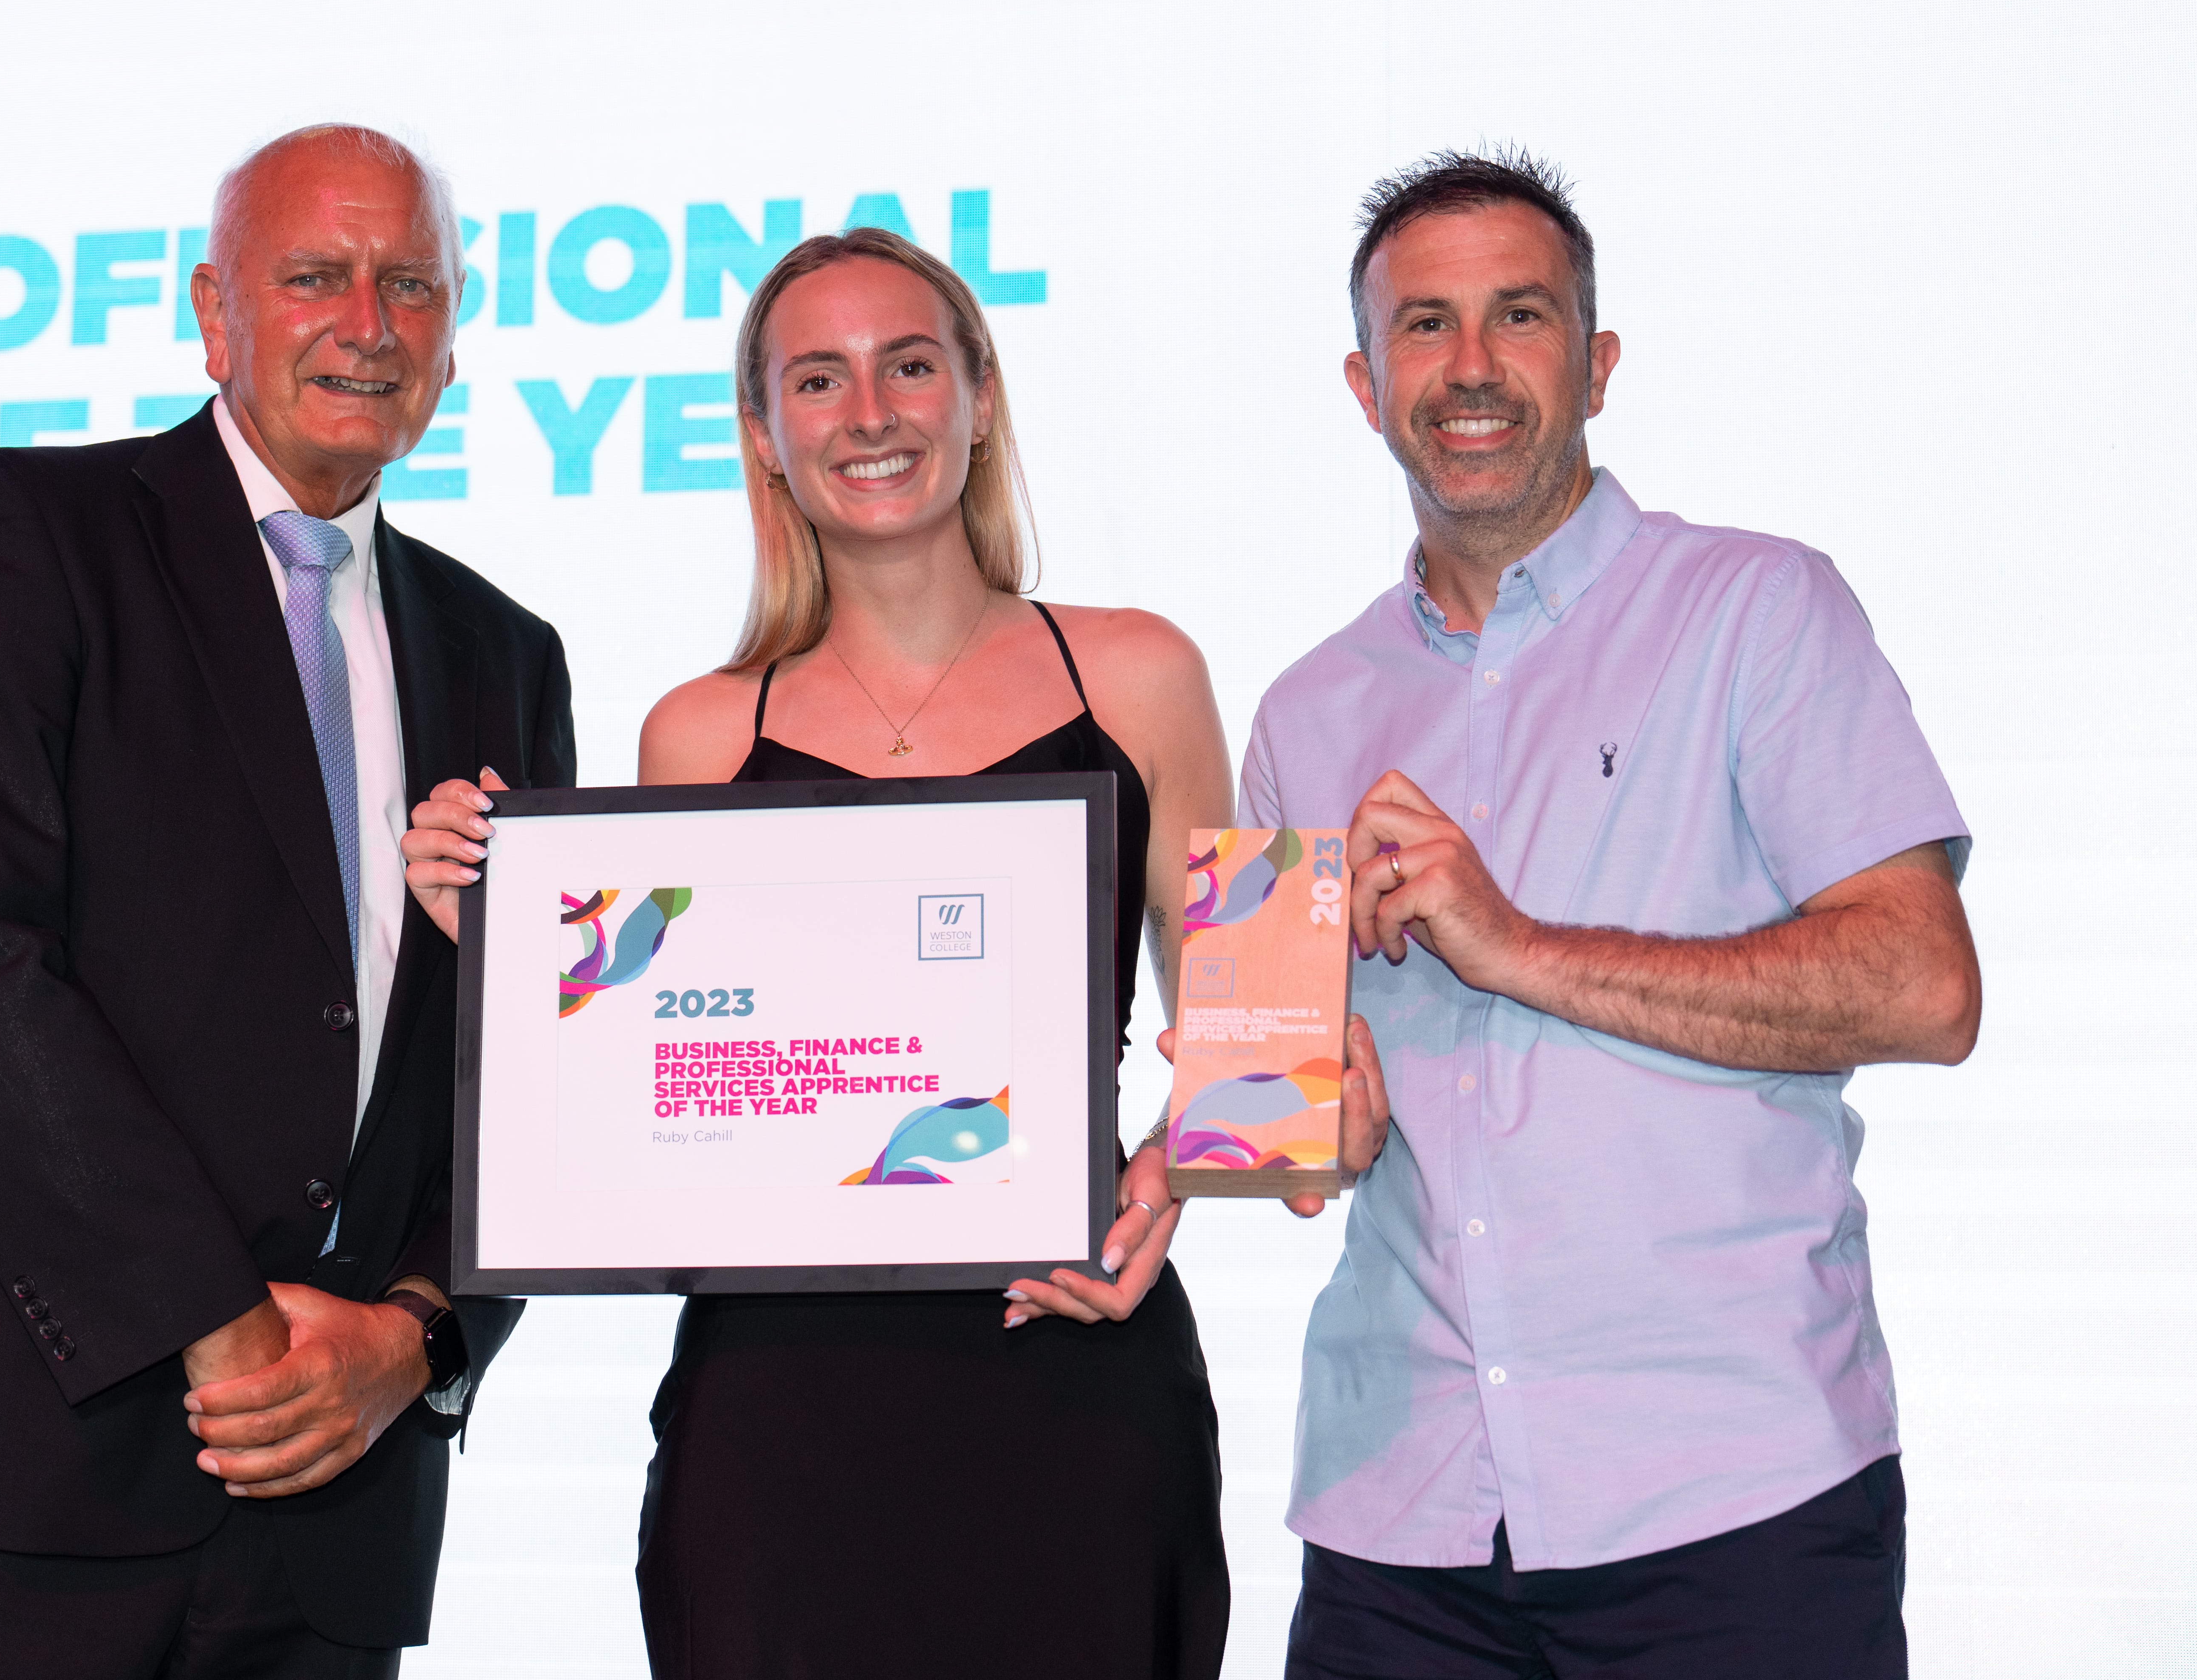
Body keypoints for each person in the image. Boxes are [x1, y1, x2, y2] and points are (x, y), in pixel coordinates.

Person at [0, 124, 576, 1677]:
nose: (369, 322)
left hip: (338, 1491)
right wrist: (218, 1321)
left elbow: (532, 1073)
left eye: (411, 284)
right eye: (315, 276)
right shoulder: (23, 534)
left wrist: (416, 1337)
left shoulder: (504, 653)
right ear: (214, 311)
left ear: (454, 337)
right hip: (20, 1451)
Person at [409, 226, 1233, 1674]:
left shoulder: (1142, 672)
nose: (870, 414)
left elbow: (1263, 1024)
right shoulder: (699, 731)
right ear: (766, 435)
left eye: (910, 365)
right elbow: (647, 1089)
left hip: (1077, 1388)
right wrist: (494, 940)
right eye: (819, 379)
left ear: (979, 396)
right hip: (777, 1428)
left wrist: (1170, 1177)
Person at [1243, 149, 1982, 1678]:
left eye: (1520, 316)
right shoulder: (1307, 712)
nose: (1471, 368)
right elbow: (1276, 1118)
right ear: (1365, 387)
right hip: (1405, 1518)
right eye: (1424, 327)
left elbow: (1925, 986)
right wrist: (1298, 1125)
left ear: (1597, 362)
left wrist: (1515, 945)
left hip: (1733, 1503)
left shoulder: (1757, 610)